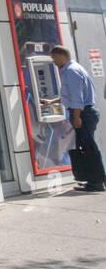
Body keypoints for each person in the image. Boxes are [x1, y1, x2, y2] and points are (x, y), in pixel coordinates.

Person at [51, 45, 102, 192]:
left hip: (83, 113)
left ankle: (97, 182)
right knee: (87, 147)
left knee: (89, 149)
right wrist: (52, 101)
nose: (54, 62)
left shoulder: (71, 71)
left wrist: (76, 117)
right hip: (85, 112)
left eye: (54, 58)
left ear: (61, 56)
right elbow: (71, 95)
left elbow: (77, 98)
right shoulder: (75, 68)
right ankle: (93, 180)